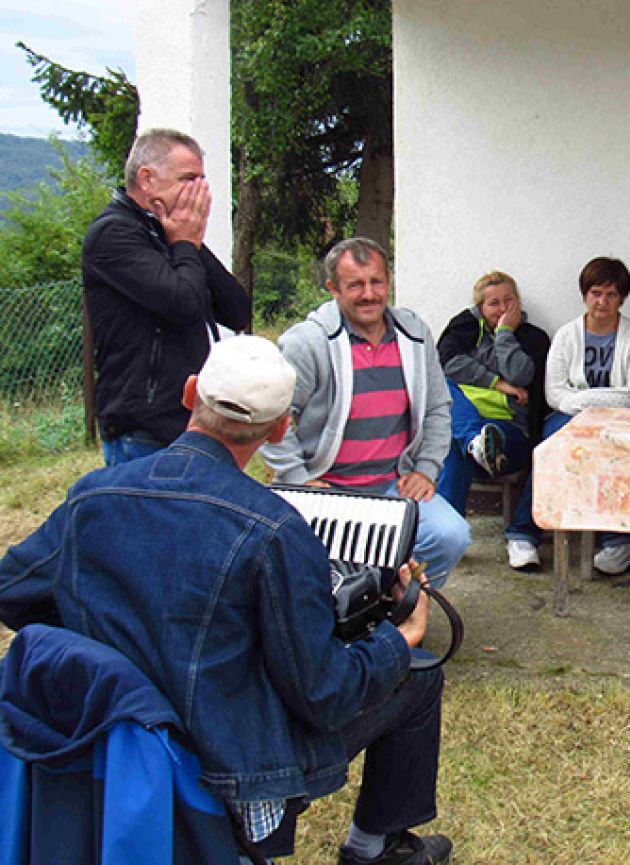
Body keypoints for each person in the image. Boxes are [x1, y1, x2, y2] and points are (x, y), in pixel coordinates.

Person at [0, 335, 452, 865]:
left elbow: (12, 590)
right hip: (229, 769)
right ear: (281, 427)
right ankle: (375, 849)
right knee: (417, 675)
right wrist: (399, 639)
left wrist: (113, 638)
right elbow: (325, 692)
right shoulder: (277, 531)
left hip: (113, 737)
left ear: (190, 393)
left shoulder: (92, 496)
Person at [262, 237, 470, 590]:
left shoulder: (414, 334)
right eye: (355, 285)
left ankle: (395, 611)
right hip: (330, 489)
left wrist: (426, 469)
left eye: (376, 282)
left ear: (388, 281)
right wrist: (297, 478)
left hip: (394, 486)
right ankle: (352, 617)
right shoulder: (307, 343)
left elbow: (438, 407)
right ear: (333, 288)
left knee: (450, 536)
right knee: (322, 573)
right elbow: (271, 415)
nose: (369, 294)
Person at [82, 128, 252, 465]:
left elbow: (236, 311)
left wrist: (188, 243)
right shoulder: (114, 234)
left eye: (203, 180)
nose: (200, 192)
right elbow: (184, 304)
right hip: (143, 429)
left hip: (190, 422)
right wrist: (185, 243)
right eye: (189, 179)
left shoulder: (168, 232)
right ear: (147, 180)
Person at [543, 257, 630, 575]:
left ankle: (620, 541)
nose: (602, 302)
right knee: (553, 445)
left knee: (616, 453)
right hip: (569, 416)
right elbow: (554, 393)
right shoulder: (566, 336)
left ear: (622, 298)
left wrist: (584, 399)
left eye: (611, 295)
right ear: (584, 294)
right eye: (595, 293)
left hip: (619, 420)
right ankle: (525, 532)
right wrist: (584, 407)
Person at [435, 271, 550, 571]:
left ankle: (449, 537)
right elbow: (446, 362)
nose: (501, 309)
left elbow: (522, 373)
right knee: (445, 390)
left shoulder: (533, 338)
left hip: (509, 433)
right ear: (479, 309)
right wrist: (499, 384)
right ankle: (475, 441)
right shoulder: (463, 331)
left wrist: (504, 334)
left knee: (456, 443)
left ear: (518, 302)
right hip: (470, 425)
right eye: (493, 304)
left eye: (508, 301)